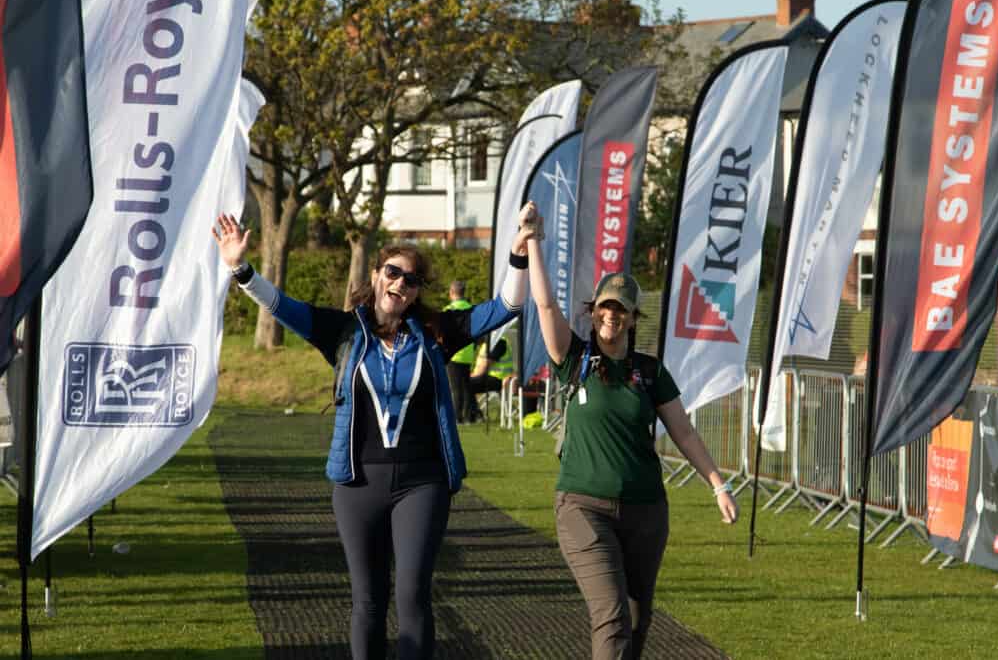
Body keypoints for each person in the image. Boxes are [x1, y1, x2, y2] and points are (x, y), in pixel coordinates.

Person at [212, 213, 534, 660]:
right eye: (393, 273)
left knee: (412, 596)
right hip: (357, 485)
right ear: (376, 275)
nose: (401, 284)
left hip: (423, 483)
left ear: (418, 291)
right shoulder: (344, 332)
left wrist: (520, 248)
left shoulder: (438, 333)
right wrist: (239, 268)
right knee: (367, 602)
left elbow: (506, 307)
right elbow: (283, 306)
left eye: (412, 280)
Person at [520, 201, 738, 660]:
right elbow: (543, 304)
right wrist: (533, 240)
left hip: (646, 512)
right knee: (613, 614)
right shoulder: (574, 359)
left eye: (621, 310)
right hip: (583, 506)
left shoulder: (649, 371)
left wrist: (718, 485)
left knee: (637, 619)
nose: (611, 316)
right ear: (593, 311)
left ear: (635, 317)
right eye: (604, 307)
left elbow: (684, 432)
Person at [444, 280, 479, 423]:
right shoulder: (471, 308)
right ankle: (469, 416)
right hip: (468, 354)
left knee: (455, 388)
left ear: (451, 293)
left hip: (454, 355)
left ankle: (456, 417)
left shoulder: (449, 309)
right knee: (466, 387)